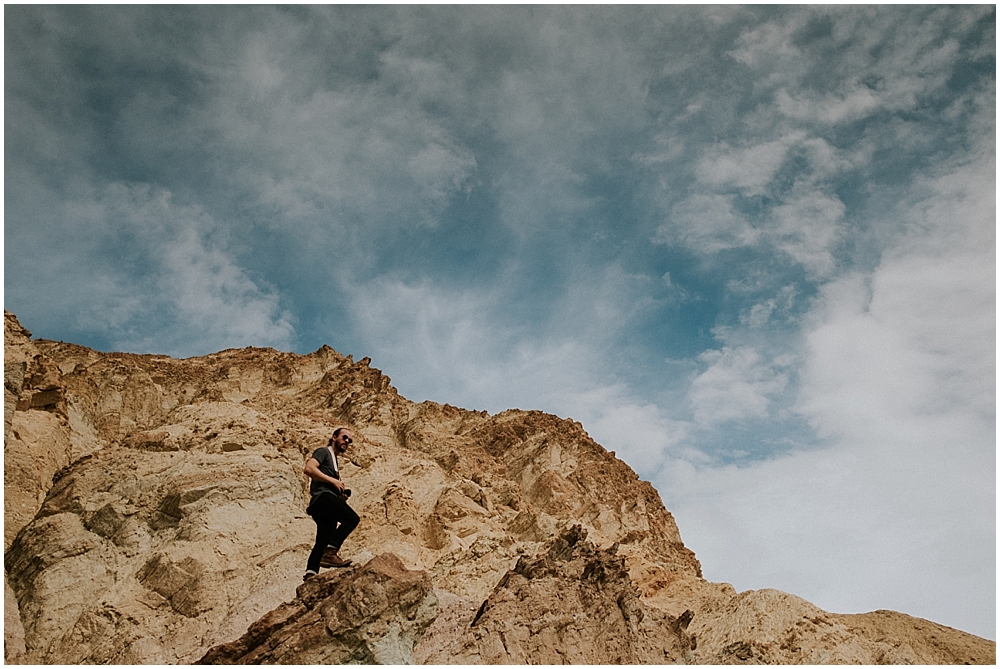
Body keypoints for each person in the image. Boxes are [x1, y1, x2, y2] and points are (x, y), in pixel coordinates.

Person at [302, 427, 360, 580]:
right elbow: (309, 468)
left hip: (321, 502)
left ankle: (311, 573)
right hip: (322, 498)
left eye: (350, 440)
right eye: (344, 437)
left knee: (323, 538)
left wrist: (339, 495)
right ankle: (331, 552)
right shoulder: (323, 452)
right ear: (334, 437)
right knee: (352, 519)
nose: (347, 441)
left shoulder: (334, 462)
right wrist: (333, 481)